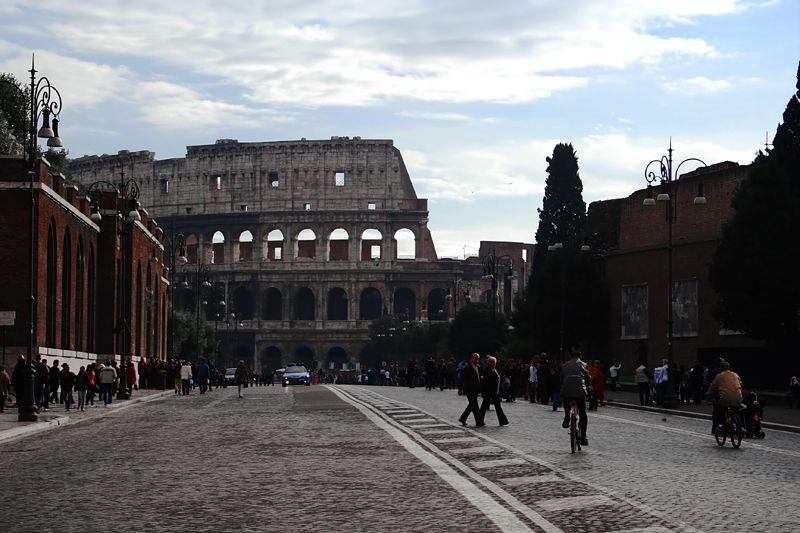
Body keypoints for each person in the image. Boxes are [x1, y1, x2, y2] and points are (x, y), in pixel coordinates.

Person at [561, 351, 592, 446]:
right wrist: (589, 389)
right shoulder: (583, 365)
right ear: (580, 356)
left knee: (566, 402)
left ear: (570, 356)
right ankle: (583, 437)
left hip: (567, 391)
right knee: (582, 412)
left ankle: (567, 416)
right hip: (580, 392)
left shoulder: (565, 365)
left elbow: (561, 379)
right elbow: (588, 379)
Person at [705, 361, 742, 433]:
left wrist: (708, 394)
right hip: (738, 398)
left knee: (720, 408)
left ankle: (721, 425)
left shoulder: (720, 376)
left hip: (725, 398)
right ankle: (736, 423)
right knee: (735, 410)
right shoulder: (736, 375)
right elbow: (740, 385)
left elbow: (713, 387)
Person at [479, 356, 509, 426]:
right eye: (492, 362)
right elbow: (490, 379)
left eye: (494, 362)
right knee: (484, 406)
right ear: (489, 363)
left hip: (495, 391)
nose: (493, 364)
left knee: (498, 406)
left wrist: (502, 378)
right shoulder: (487, 370)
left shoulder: (495, 370)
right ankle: (479, 419)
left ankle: (503, 420)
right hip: (488, 391)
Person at [458, 353, 484, 427]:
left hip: (476, 388)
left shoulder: (478, 367)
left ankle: (463, 418)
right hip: (469, 389)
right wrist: (460, 388)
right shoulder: (467, 368)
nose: (477, 360)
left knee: (471, 405)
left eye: (478, 358)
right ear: (472, 359)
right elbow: (463, 379)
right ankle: (479, 421)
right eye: (476, 358)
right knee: (475, 406)